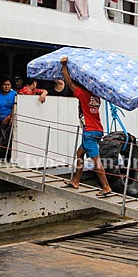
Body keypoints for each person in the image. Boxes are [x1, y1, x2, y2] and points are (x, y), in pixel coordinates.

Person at [60, 56, 112, 197]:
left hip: (89, 131)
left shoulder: (83, 95)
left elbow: (69, 82)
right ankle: (76, 180)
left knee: (96, 160)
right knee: (80, 153)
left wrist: (64, 66)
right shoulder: (96, 97)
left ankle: (106, 187)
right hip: (97, 129)